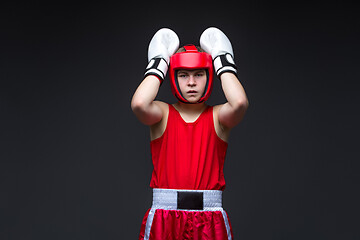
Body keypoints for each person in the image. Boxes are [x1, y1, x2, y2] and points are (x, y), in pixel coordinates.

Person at [131, 27, 249, 240]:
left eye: (199, 74)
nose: (192, 82)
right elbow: (139, 104)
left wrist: (222, 61)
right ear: (173, 77)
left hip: (209, 218)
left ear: (209, 75)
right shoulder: (163, 114)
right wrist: (160, 63)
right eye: (183, 75)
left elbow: (239, 103)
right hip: (164, 218)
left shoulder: (218, 117)